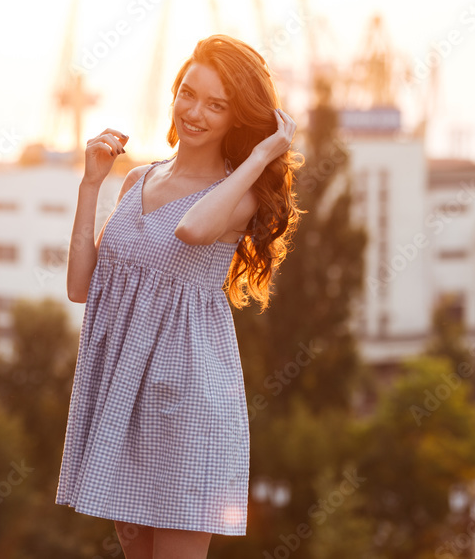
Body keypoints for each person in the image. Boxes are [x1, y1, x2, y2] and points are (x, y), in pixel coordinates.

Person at [56, 34, 303, 559]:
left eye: (217, 105)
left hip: (189, 401)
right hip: (124, 394)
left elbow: (191, 230)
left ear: (238, 118)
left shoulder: (239, 194)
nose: (195, 112)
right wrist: (90, 185)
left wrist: (260, 156)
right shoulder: (137, 180)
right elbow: (81, 286)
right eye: (188, 94)